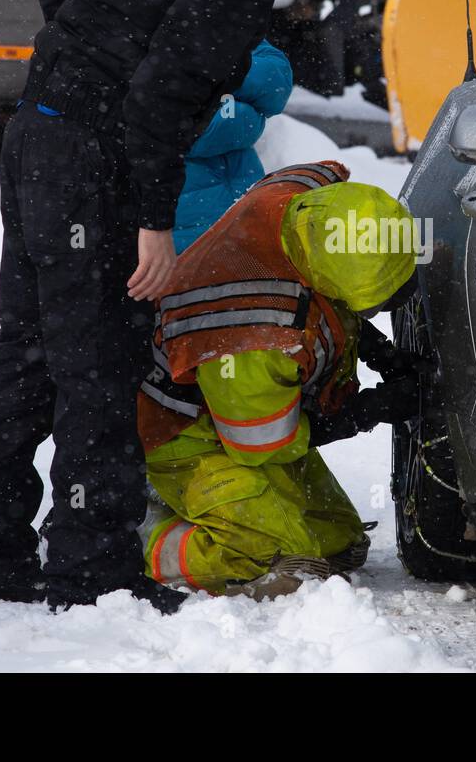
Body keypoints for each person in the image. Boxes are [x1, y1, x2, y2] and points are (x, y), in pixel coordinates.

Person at [0, 0, 389, 613]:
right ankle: (91, 571)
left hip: (35, 137)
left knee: (28, 346)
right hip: (94, 163)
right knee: (103, 364)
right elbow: (160, 102)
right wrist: (154, 220)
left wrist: (80, 49)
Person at [136, 162, 423, 598]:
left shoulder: (308, 199)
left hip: (240, 406)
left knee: (339, 546)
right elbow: (266, 442)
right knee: (275, 559)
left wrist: (381, 352)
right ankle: (136, 530)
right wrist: (370, 410)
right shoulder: (251, 330)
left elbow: (328, 299)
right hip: (183, 428)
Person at [172, 40, 292, 254]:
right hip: (177, 215)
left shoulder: (214, 18)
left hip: (244, 204)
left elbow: (276, 80)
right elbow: (174, 120)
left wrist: (213, 75)